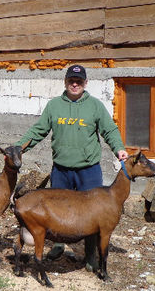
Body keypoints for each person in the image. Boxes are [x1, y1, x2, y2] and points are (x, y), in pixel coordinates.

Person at [18, 64, 128, 272]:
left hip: (89, 171)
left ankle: (90, 255)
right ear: (66, 82)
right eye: (71, 80)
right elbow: (38, 130)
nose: (74, 84)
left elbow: (109, 130)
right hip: (61, 170)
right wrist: (20, 148)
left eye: (79, 81)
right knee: (58, 211)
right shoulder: (54, 106)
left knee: (93, 215)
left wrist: (119, 149)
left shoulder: (95, 106)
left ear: (85, 83)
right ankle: (58, 245)